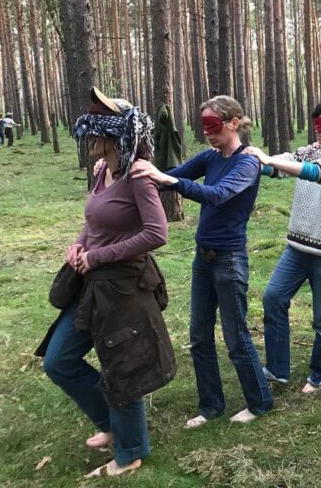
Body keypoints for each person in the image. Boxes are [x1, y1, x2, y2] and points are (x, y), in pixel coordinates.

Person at [36, 87, 174, 478]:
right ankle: (113, 425)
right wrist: (79, 245)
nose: (88, 142)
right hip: (90, 283)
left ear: (115, 136)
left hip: (124, 286)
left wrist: (98, 256)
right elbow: (94, 220)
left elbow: (156, 233)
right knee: (59, 360)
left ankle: (130, 453)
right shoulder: (101, 171)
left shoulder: (138, 176)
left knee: (122, 368)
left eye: (94, 134)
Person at [131, 95, 273, 428]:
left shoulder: (247, 163)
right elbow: (170, 175)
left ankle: (260, 402)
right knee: (199, 337)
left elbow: (218, 194)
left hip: (229, 261)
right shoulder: (209, 157)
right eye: (204, 126)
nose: (207, 133)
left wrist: (169, 181)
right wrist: (134, 171)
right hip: (203, 260)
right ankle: (211, 406)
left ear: (234, 123)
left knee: (236, 337)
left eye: (213, 125)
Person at [245, 100, 321, 393]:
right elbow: (282, 166)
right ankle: (277, 369)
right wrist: (253, 160)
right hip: (297, 247)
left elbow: (317, 172)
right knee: (273, 298)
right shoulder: (308, 150)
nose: (318, 131)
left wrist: (271, 161)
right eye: (316, 125)